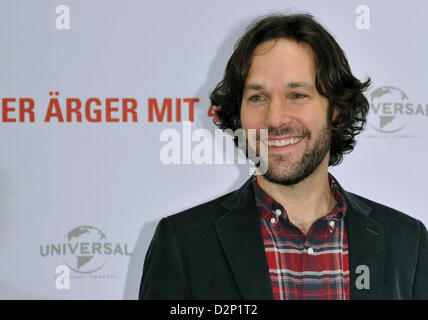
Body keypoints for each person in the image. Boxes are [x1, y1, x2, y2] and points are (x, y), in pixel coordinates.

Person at [139, 13, 428, 300]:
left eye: (297, 95)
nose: (275, 119)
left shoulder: (406, 242)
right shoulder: (184, 244)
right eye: (258, 98)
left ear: (336, 110)